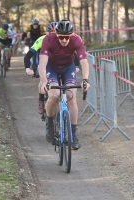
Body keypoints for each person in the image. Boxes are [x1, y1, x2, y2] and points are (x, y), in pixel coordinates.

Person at [38, 20, 91, 149]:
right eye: (61, 37)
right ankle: (50, 125)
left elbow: (84, 61)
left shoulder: (76, 39)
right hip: (51, 67)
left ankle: (72, 136)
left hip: (68, 67)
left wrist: (85, 80)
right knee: (54, 95)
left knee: (71, 95)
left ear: (71, 35)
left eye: (67, 37)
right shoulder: (48, 39)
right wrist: (44, 81)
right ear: (56, 35)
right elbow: (43, 64)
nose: (64, 40)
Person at [24, 22, 80, 115]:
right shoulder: (42, 39)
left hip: (62, 65)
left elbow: (73, 54)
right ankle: (41, 99)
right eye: (51, 33)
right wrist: (27, 68)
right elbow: (29, 55)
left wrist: (76, 66)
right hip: (46, 65)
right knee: (43, 79)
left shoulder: (64, 41)